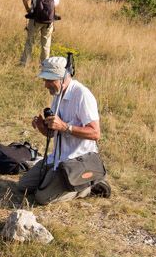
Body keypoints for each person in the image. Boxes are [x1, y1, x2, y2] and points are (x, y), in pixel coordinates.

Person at [17, 57, 110, 204]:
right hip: (58, 159)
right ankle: (67, 182)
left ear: (63, 77)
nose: (46, 85)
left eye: (49, 80)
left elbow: (95, 133)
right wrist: (43, 126)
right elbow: (52, 133)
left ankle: (87, 186)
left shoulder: (82, 95)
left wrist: (66, 127)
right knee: (24, 186)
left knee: (41, 198)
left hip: (77, 160)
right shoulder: (58, 94)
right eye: (45, 80)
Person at [19, 0, 61, 66]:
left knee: (30, 41)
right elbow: (56, 4)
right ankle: (44, 65)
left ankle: (24, 63)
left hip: (35, 19)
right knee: (46, 44)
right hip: (48, 21)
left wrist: (28, 9)